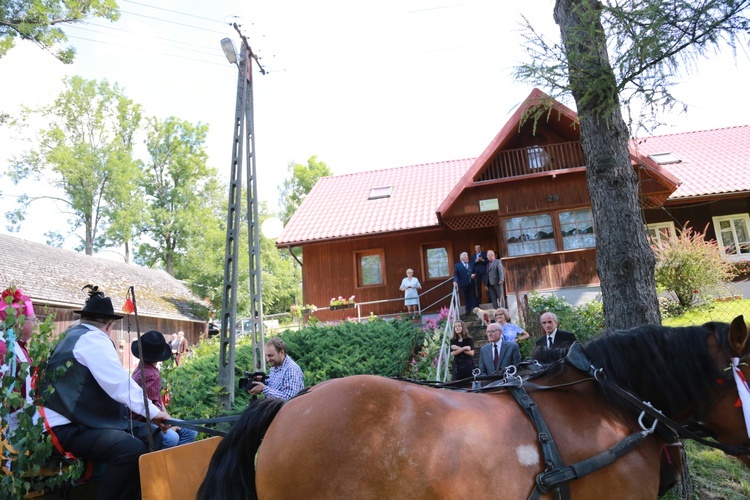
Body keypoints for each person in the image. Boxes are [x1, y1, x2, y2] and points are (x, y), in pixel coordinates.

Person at [40, 285, 171, 500]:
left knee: (151, 435)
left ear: (85, 319)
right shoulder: (93, 340)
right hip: (66, 427)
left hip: (77, 421)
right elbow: (119, 384)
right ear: (109, 325)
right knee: (130, 449)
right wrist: (155, 413)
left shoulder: (71, 335)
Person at [131, 330, 197, 448]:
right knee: (172, 437)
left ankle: (173, 458)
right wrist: (170, 426)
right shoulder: (151, 375)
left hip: (147, 416)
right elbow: (151, 411)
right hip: (143, 421)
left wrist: (169, 419)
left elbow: (158, 401)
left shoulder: (140, 368)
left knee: (191, 429)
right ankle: (164, 462)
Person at [0, 286, 39, 433]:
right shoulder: (4, 349)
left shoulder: (17, 346)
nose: (35, 324)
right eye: (33, 320)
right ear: (21, 324)